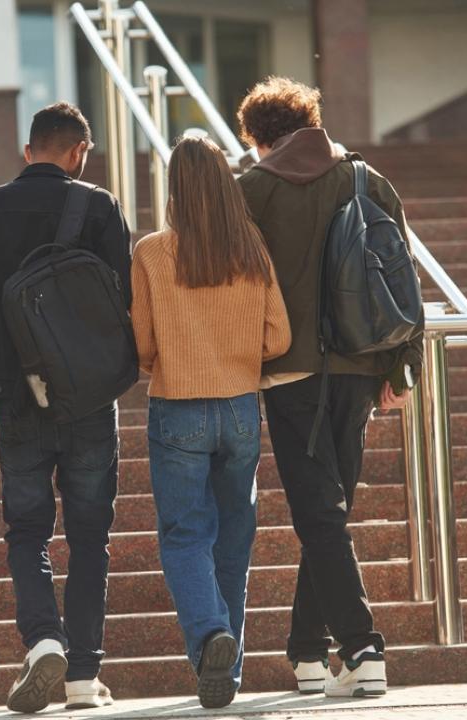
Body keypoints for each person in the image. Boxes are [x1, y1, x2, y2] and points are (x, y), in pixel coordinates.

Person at [236, 77, 424, 697]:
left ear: (260, 137)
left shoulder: (254, 189)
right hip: (362, 367)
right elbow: (401, 273)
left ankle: (364, 648)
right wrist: (401, 365)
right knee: (329, 511)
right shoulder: (367, 179)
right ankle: (309, 654)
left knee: (319, 514)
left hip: (290, 370)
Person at [0, 102, 132, 713]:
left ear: (27, 151)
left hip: (15, 398)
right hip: (88, 398)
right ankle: (82, 676)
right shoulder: (100, 207)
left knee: (27, 531)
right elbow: (122, 305)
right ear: (80, 153)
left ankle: (43, 641)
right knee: (90, 537)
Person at [131, 135, 291, 708]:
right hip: (242, 407)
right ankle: (225, 668)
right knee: (234, 538)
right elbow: (280, 336)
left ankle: (210, 637)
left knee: (184, 535)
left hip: (178, 406)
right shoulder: (252, 248)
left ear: (174, 189)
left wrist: (172, 357)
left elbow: (141, 343)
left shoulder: (151, 252)